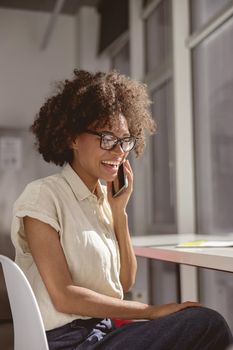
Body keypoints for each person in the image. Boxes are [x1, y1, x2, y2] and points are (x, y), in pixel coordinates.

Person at [11, 69, 233, 350]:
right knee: (207, 324)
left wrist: (119, 213)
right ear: (73, 138)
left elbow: (124, 281)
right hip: (69, 343)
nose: (119, 151)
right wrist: (150, 311)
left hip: (103, 333)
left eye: (125, 140)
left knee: (204, 321)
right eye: (107, 138)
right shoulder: (44, 195)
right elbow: (64, 296)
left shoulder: (103, 201)